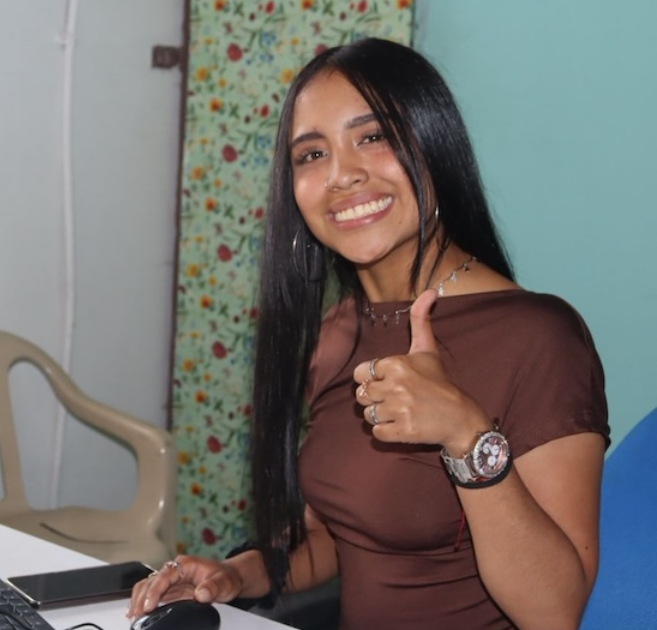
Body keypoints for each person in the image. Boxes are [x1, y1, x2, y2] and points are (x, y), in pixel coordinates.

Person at [129, 38, 608, 630]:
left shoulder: (539, 337)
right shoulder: (336, 332)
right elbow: (339, 537)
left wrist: (465, 435)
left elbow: (555, 612)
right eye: (311, 154)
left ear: (435, 146)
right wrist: (236, 574)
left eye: (373, 136)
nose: (341, 176)